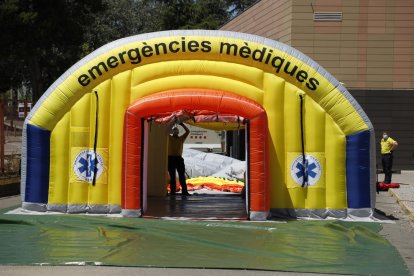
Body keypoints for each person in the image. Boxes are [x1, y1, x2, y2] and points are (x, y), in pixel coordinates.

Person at [168, 122, 191, 196]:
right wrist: (171, 124)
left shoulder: (181, 138)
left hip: (178, 158)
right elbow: (166, 131)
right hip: (171, 158)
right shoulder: (169, 137)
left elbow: (187, 131)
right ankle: (172, 191)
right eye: (174, 130)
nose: (175, 131)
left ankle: (184, 191)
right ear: (172, 132)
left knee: (181, 175)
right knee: (172, 176)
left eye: (176, 130)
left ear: (178, 132)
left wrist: (182, 124)